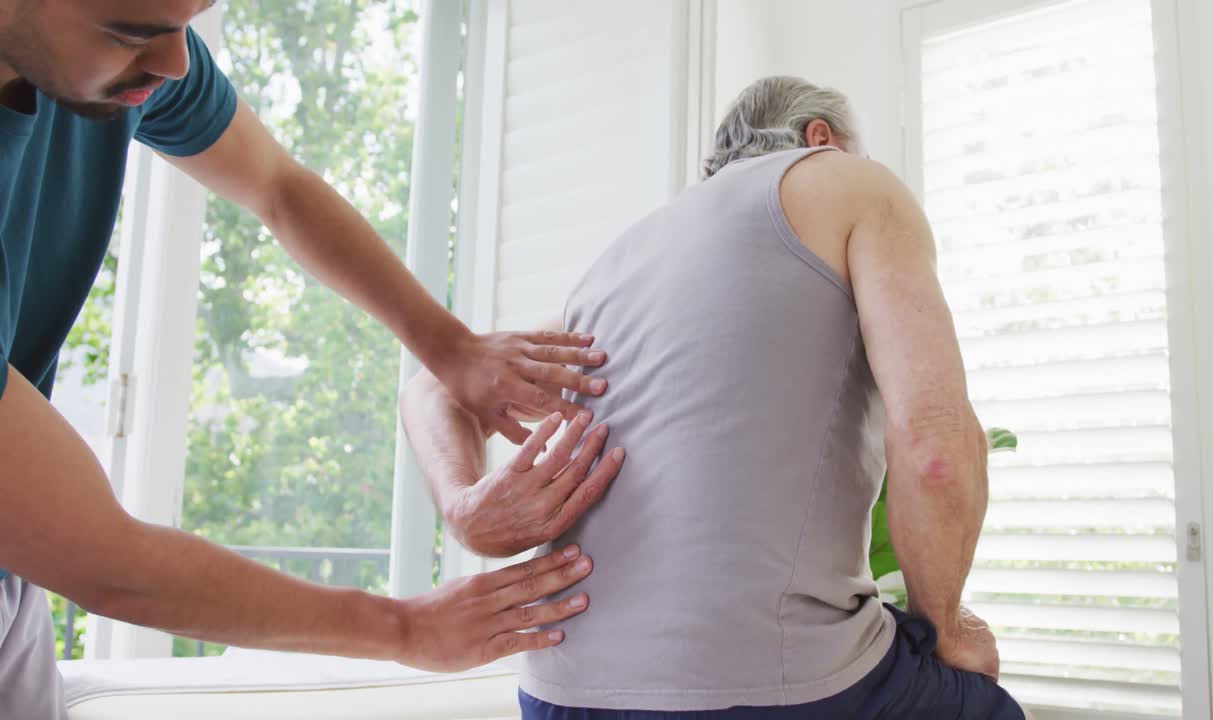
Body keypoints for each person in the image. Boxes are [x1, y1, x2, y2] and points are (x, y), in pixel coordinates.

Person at [0, 2, 626, 718]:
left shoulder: (116, 54)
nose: (177, 62)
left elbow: (278, 186)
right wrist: (406, 628)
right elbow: (110, 565)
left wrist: (453, 348)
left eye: (191, 22)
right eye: (135, 33)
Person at [403, 76, 1031, 718]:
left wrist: (462, 506)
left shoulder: (620, 261)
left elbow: (432, 386)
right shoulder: (850, 183)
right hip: (781, 687)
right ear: (822, 141)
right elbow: (937, 449)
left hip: (554, 692)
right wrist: (948, 630)